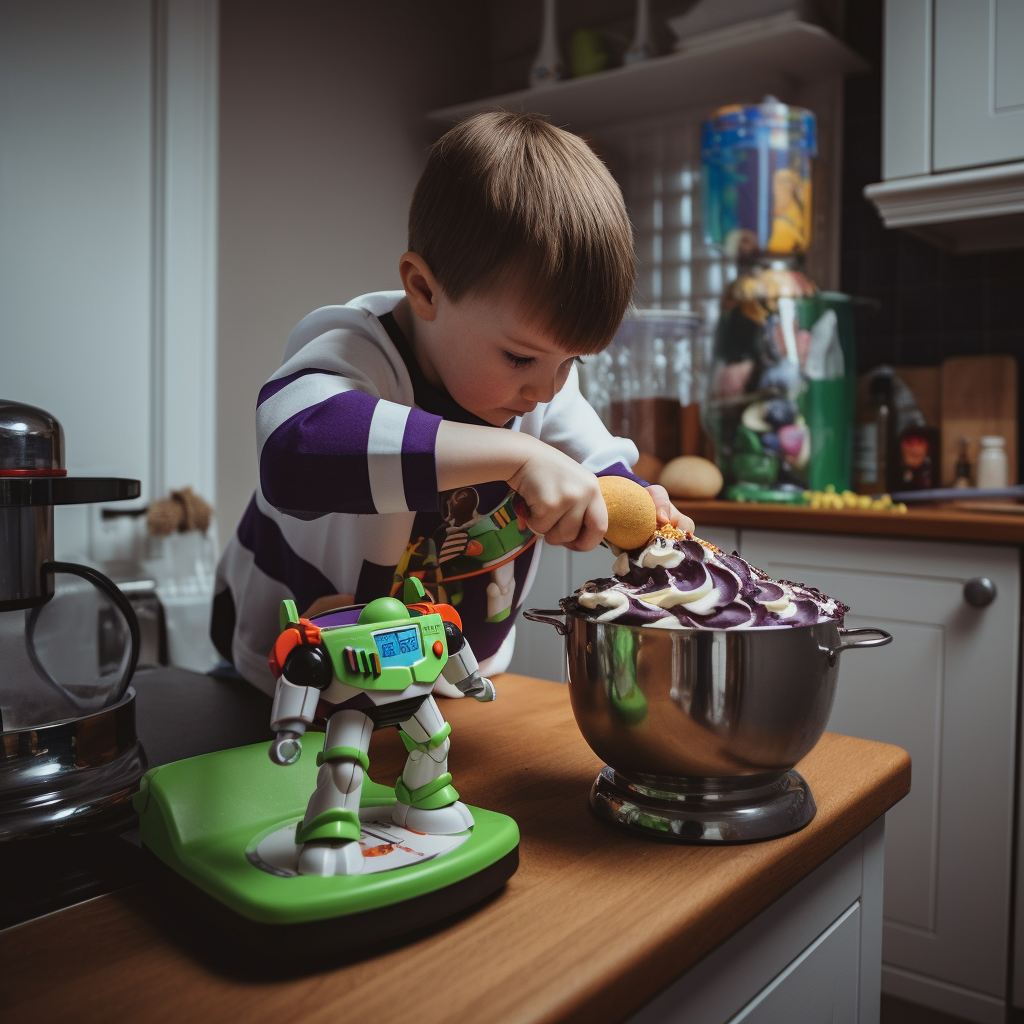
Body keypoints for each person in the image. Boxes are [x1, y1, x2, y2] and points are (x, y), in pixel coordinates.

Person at [211, 111, 693, 696]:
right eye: (520, 359)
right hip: (286, 678)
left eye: (572, 362)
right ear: (423, 289)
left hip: (445, 683)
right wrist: (517, 455)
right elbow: (293, 454)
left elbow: (596, 462)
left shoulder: (543, 382)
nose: (546, 388)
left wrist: (638, 502)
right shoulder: (358, 351)